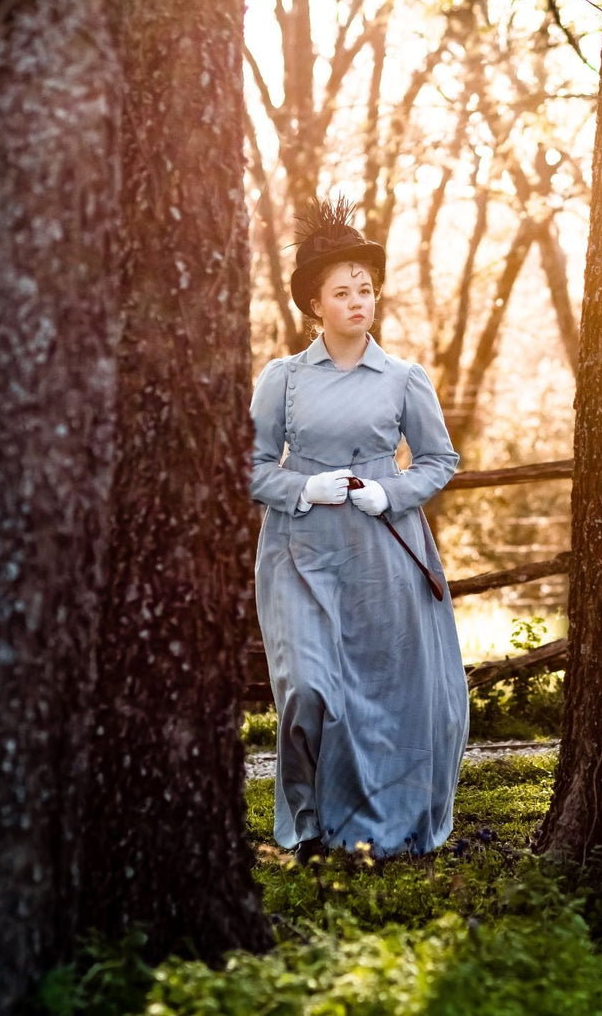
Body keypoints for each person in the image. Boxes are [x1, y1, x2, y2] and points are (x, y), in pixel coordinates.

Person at [249, 198, 468, 861]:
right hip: (299, 551)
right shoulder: (281, 379)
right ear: (314, 304)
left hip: (382, 551)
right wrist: (300, 487)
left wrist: (389, 491)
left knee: (383, 695)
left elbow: (440, 460)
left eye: (365, 289)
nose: (357, 301)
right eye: (341, 291)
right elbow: (249, 465)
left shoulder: (403, 377)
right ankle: (309, 823)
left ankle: (377, 832)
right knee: (308, 689)